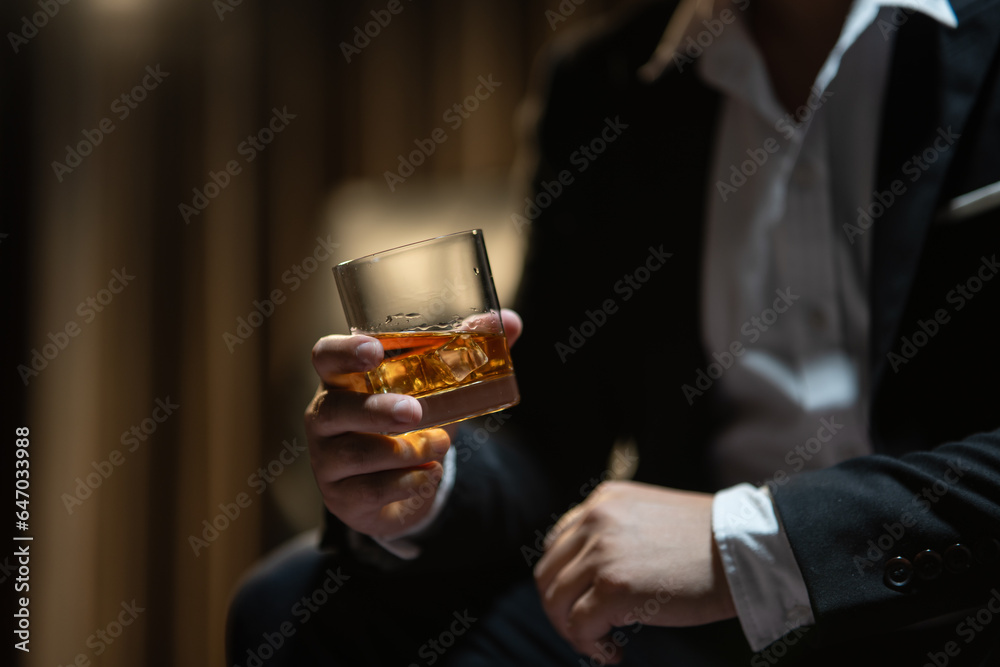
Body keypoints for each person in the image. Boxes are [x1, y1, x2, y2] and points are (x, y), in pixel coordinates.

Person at [227, 0, 1000, 664]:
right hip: (688, 622)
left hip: (949, 592)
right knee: (287, 609)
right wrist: (426, 483)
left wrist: (751, 543)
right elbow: (549, 437)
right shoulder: (604, 85)